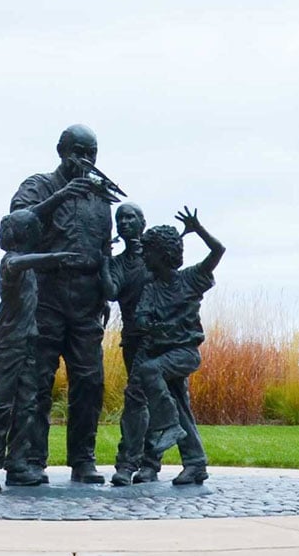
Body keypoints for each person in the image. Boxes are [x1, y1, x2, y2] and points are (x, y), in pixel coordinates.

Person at [9, 124, 112, 483]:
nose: (86, 159)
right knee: (36, 381)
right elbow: (16, 226)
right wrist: (61, 196)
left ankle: (82, 459)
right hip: (47, 295)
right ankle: (32, 460)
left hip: (86, 300)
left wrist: (104, 288)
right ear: (60, 150)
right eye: (79, 151)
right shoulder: (38, 186)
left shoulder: (100, 198)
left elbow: (103, 249)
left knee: (90, 380)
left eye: (92, 153)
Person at [112, 207, 225, 486]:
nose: (144, 257)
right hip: (153, 350)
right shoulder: (151, 286)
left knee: (154, 379)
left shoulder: (190, 279)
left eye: (148, 253)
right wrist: (147, 323)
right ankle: (194, 463)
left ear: (161, 254)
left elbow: (218, 251)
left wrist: (197, 228)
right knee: (172, 404)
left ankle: (168, 433)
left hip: (181, 354)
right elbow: (141, 316)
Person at [0, 210, 85, 492]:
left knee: (27, 406)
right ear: (24, 233)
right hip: (9, 344)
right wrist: (52, 258)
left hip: (28, 343)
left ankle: (17, 465)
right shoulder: (11, 263)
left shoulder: (28, 268)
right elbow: (18, 263)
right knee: (3, 407)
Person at [100, 203, 164, 485]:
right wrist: (104, 257)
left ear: (143, 221)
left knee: (155, 401)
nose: (125, 222)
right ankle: (132, 463)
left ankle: (144, 464)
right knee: (138, 400)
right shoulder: (117, 263)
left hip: (160, 340)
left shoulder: (158, 257)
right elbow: (112, 292)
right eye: (120, 219)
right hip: (134, 340)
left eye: (130, 217)